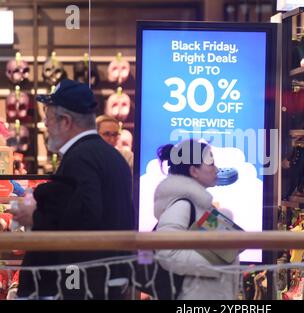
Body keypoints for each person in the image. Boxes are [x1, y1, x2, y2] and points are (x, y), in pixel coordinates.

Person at [12, 79, 135, 299]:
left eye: (48, 119)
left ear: (66, 121)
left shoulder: (80, 159)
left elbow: (85, 217)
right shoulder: (111, 157)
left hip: (82, 282)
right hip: (105, 279)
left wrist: (35, 216)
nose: (45, 126)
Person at [154, 139, 239, 300]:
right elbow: (167, 254)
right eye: (211, 164)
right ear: (194, 171)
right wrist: (218, 263)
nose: (216, 169)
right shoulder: (182, 206)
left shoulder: (199, 205)